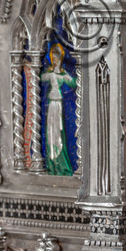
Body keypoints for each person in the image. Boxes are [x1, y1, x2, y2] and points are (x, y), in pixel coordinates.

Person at [41, 43, 76, 176]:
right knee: (51, 133)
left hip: (58, 106)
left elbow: (73, 82)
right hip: (51, 105)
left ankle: (62, 164)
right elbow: (39, 77)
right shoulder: (49, 73)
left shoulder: (62, 74)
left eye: (58, 58)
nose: (56, 60)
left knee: (58, 135)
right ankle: (52, 164)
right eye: (54, 58)